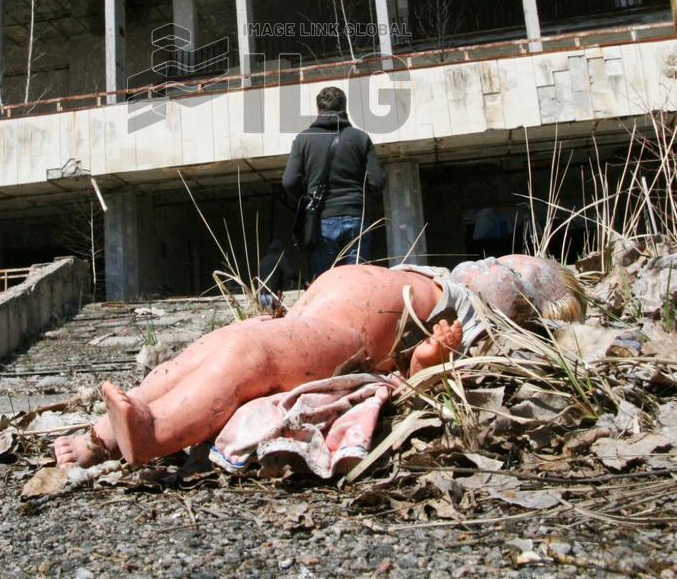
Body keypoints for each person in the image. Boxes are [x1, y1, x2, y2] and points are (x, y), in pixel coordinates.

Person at [52, 254, 583, 469]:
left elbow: (411, 377)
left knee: (246, 356)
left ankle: (154, 432)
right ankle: (104, 434)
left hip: (346, 338)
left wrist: (429, 356)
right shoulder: (446, 273)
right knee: (212, 347)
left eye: (518, 273)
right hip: (311, 317)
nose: (498, 263)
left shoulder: (470, 318)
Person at [282, 86, 385, 277]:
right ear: (345, 108)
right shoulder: (360, 138)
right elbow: (377, 182)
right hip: (356, 216)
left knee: (326, 282)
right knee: (356, 281)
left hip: (321, 219)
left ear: (318, 110)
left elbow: (289, 181)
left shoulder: (303, 140)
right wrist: (360, 197)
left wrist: (308, 199)